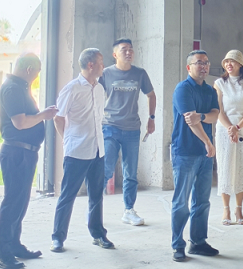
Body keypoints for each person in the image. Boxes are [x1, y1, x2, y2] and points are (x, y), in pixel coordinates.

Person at [0, 54, 58, 269]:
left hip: (25, 153)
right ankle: (1, 254)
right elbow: (20, 123)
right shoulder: (12, 89)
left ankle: (14, 245)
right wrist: (43, 115)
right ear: (29, 69)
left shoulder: (20, 87)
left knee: (20, 203)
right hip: (16, 152)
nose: (37, 77)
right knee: (12, 203)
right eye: (37, 72)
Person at [49, 48, 115, 253]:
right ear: (90, 65)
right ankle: (58, 238)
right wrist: (68, 140)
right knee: (68, 195)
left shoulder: (99, 89)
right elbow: (58, 117)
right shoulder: (72, 89)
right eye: (101, 62)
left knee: (96, 195)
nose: (104, 66)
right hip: (77, 151)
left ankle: (98, 234)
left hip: (98, 151)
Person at [98, 38, 156, 226]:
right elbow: (94, 94)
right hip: (110, 126)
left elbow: (151, 95)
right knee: (106, 168)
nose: (129, 52)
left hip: (132, 129)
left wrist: (151, 118)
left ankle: (129, 210)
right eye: (124, 49)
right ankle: (94, 208)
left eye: (131, 49)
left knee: (130, 173)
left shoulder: (140, 73)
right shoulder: (106, 74)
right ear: (115, 54)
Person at [170, 50, 221, 262]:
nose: (204, 66)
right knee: (181, 202)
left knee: (202, 201)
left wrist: (201, 115)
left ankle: (198, 242)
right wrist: (208, 142)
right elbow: (191, 122)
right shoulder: (183, 89)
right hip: (185, 152)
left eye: (206, 63)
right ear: (188, 67)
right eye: (199, 63)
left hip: (204, 155)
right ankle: (177, 245)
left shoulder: (210, 90)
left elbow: (215, 115)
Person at [213, 49, 243, 226]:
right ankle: (226, 209)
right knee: (225, 167)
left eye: (232, 61)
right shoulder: (219, 83)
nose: (229, 64)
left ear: (240, 64)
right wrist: (230, 128)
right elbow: (218, 110)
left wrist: (237, 127)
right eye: (226, 61)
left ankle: (239, 209)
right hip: (224, 129)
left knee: (241, 167)